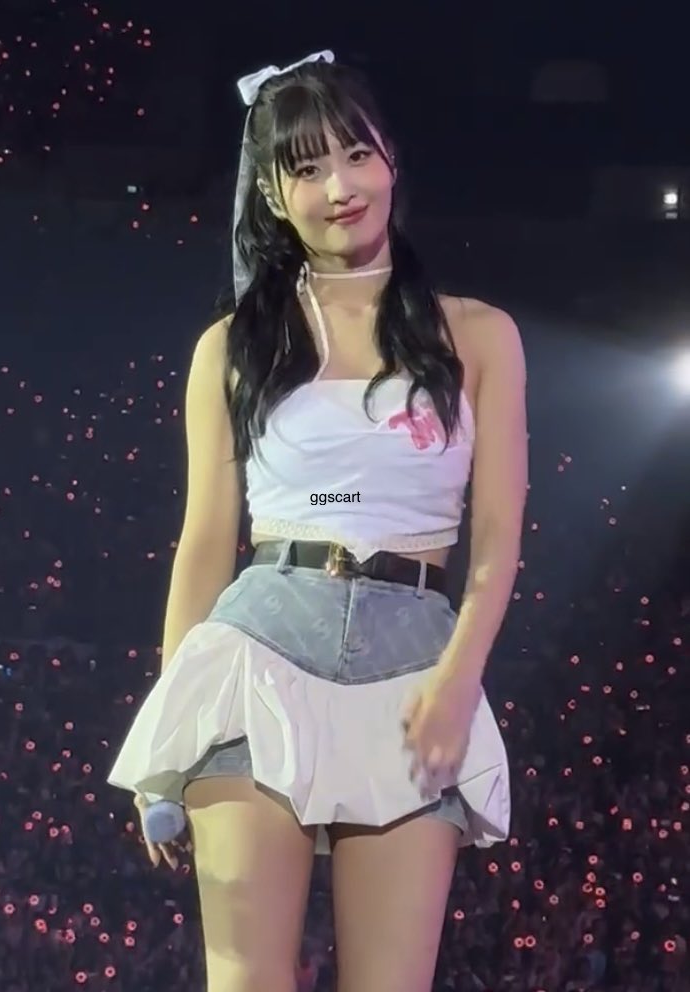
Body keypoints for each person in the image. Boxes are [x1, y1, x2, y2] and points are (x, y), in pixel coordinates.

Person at [108, 49, 528, 992]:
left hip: (413, 664)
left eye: (356, 155)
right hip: (258, 654)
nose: (339, 187)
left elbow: (497, 538)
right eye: (306, 168)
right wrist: (168, 734)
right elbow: (204, 544)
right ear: (270, 192)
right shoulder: (231, 346)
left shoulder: (479, 335)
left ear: (391, 161)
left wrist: (459, 678)